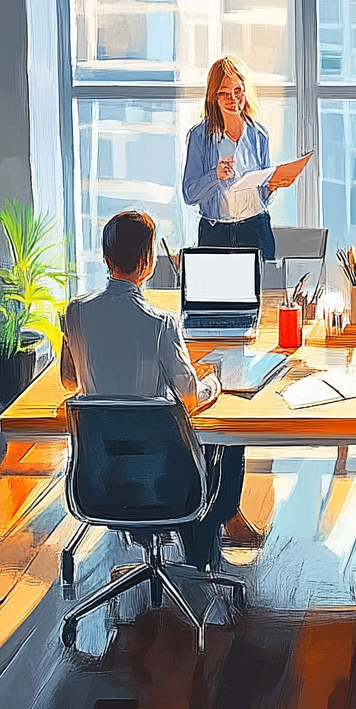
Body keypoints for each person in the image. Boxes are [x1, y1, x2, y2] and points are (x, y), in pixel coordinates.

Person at [60, 211, 248, 571]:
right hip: (161, 480)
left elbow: (70, 381)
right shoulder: (160, 323)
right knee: (232, 438)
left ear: (105, 258)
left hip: (99, 479)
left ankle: (190, 546)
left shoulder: (75, 312)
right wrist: (214, 382)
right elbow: (190, 399)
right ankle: (201, 548)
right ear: (147, 262)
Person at [181, 55, 307, 261]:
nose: (233, 99)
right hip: (216, 233)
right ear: (213, 97)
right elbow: (189, 194)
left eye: (238, 91)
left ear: (245, 91)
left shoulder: (259, 135)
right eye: (224, 93)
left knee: (261, 290)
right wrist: (215, 176)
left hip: (255, 229)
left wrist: (272, 186)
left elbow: (264, 197)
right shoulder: (199, 137)